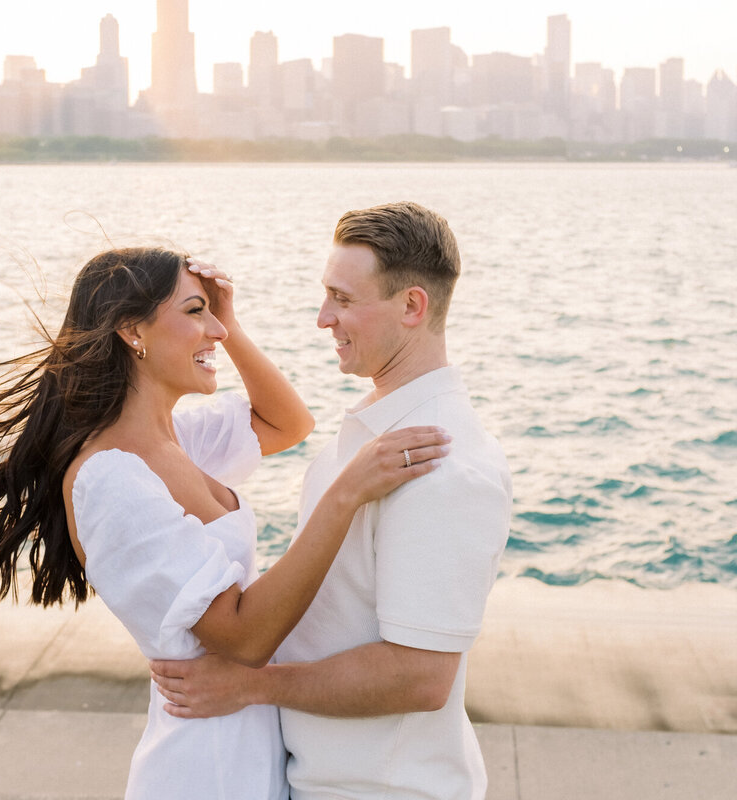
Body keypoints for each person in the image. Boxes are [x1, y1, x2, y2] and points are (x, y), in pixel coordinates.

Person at [0, 246, 450, 800]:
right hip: (207, 767)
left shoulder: (177, 442)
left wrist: (230, 321)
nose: (216, 333)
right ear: (133, 331)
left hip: (250, 743)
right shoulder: (111, 479)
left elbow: (289, 422)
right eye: (194, 313)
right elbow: (244, 637)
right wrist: (347, 492)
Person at [151, 203, 513, 800]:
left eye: (342, 300)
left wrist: (251, 685)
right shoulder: (380, 435)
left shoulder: (443, 467)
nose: (324, 319)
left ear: (412, 307)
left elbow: (421, 677)